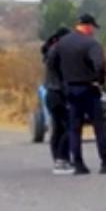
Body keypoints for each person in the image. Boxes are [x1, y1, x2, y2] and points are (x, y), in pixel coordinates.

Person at [47, 13, 106, 175]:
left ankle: (78, 164)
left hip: (70, 88)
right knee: (99, 127)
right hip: (88, 87)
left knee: (74, 128)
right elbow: (100, 64)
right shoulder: (91, 43)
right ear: (88, 26)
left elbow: (51, 62)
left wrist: (62, 80)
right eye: (92, 28)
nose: (93, 31)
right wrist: (99, 80)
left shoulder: (62, 43)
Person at [41, 27, 72, 175]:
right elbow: (64, 76)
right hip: (58, 93)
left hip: (51, 93)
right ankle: (61, 159)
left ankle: (58, 159)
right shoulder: (58, 52)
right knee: (70, 127)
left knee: (58, 128)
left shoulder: (50, 51)